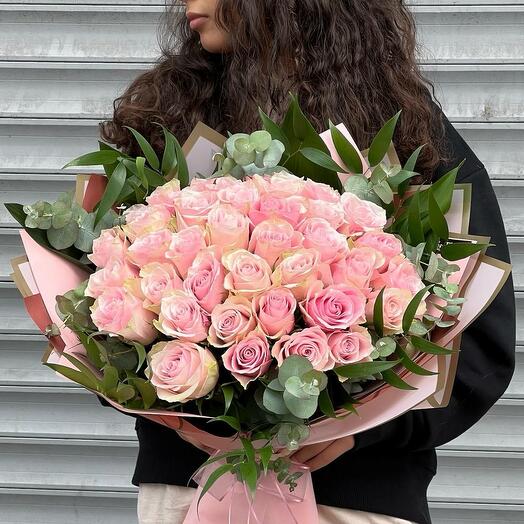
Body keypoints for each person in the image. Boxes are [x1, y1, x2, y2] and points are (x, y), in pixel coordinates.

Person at [99, 1, 516, 523]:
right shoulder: (173, 123)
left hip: (350, 501)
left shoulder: (409, 139)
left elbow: (478, 351)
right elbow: (102, 302)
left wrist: (363, 428)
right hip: (189, 492)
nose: (189, 2)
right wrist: (158, 393)